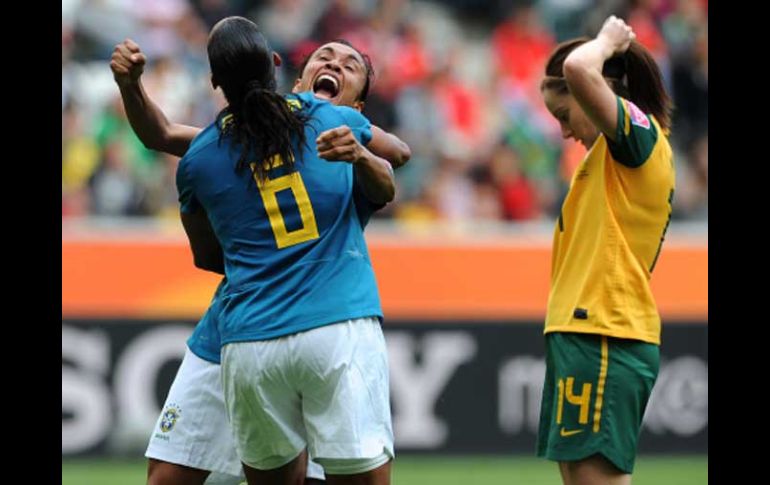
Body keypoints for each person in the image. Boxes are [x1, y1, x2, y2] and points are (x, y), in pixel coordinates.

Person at [111, 35, 409, 485]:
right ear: (292, 76)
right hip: (233, 326)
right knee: (167, 478)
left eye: (351, 65)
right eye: (324, 57)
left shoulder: (338, 133)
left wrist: (360, 150)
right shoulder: (233, 134)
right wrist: (131, 86)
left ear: (359, 109)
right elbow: (163, 134)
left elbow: (394, 162)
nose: (334, 63)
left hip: (295, 320)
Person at [536, 16, 675, 485]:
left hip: (605, 331)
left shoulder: (638, 139)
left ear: (601, 91)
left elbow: (578, 68)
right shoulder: (604, 161)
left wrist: (606, 41)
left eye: (564, 116)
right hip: (582, 332)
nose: (564, 132)